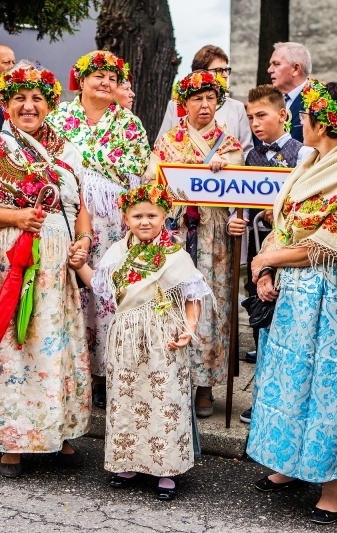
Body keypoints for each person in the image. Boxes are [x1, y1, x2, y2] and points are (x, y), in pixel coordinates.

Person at [246, 79, 337, 525]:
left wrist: (267, 257)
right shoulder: (312, 159)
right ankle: (290, 465)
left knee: (327, 389)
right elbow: (287, 222)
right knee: (290, 380)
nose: (298, 121)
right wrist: (267, 268)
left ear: (323, 122)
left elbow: (333, 243)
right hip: (295, 293)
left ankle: (333, 485)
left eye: (304, 115)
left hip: (332, 298)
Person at [0, 60, 91, 478]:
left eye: (36, 99)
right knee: (14, 349)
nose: (28, 106)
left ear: (49, 104)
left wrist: (83, 241)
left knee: (55, 349)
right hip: (4, 265)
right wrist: (14, 218)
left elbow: (78, 206)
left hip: (56, 269)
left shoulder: (67, 151)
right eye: (19, 99)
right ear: (6, 104)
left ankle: (57, 430)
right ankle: (11, 441)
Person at [69, 184, 211, 501]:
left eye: (151, 215)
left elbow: (192, 296)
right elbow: (100, 287)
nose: (144, 221)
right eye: (137, 215)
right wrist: (80, 265)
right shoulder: (117, 253)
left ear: (164, 217)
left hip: (164, 335)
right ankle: (128, 462)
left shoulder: (175, 254)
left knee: (164, 399)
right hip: (126, 334)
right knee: (127, 397)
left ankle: (166, 468)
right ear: (126, 218)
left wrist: (189, 328)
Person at [47, 50, 150, 409]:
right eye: (98, 76)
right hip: (68, 214)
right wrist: (81, 183)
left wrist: (86, 173)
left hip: (112, 222)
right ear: (82, 80)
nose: (106, 83)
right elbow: (50, 164)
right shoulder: (60, 117)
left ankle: (108, 372)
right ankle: (77, 368)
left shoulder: (129, 123)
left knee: (109, 291)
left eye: (112, 78)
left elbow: (136, 169)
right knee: (73, 291)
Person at [144, 70, 245, 418]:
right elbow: (153, 182)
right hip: (178, 231)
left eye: (211, 98)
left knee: (210, 303)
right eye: (197, 99)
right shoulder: (168, 141)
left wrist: (223, 174)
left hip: (213, 235)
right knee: (172, 302)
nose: (205, 105)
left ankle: (205, 385)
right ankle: (173, 377)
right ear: (183, 103)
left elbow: (241, 192)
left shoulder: (229, 145)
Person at [238, 84, 312, 423]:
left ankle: (289, 399)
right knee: (260, 322)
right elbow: (240, 199)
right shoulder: (250, 156)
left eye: (262, 115)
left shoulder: (303, 153)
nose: (255, 123)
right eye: (250, 117)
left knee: (288, 326)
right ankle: (262, 397)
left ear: (282, 115)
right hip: (259, 250)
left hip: (292, 254)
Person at [156, 45, 253, 155]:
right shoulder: (176, 105)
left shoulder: (237, 108)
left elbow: (246, 152)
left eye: (226, 70)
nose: (225, 75)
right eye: (219, 70)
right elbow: (162, 146)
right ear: (199, 73)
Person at [267, 42, 312, 143]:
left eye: (276, 64)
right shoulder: (268, 100)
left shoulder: (320, 101)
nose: (269, 70)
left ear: (296, 69)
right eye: (270, 65)